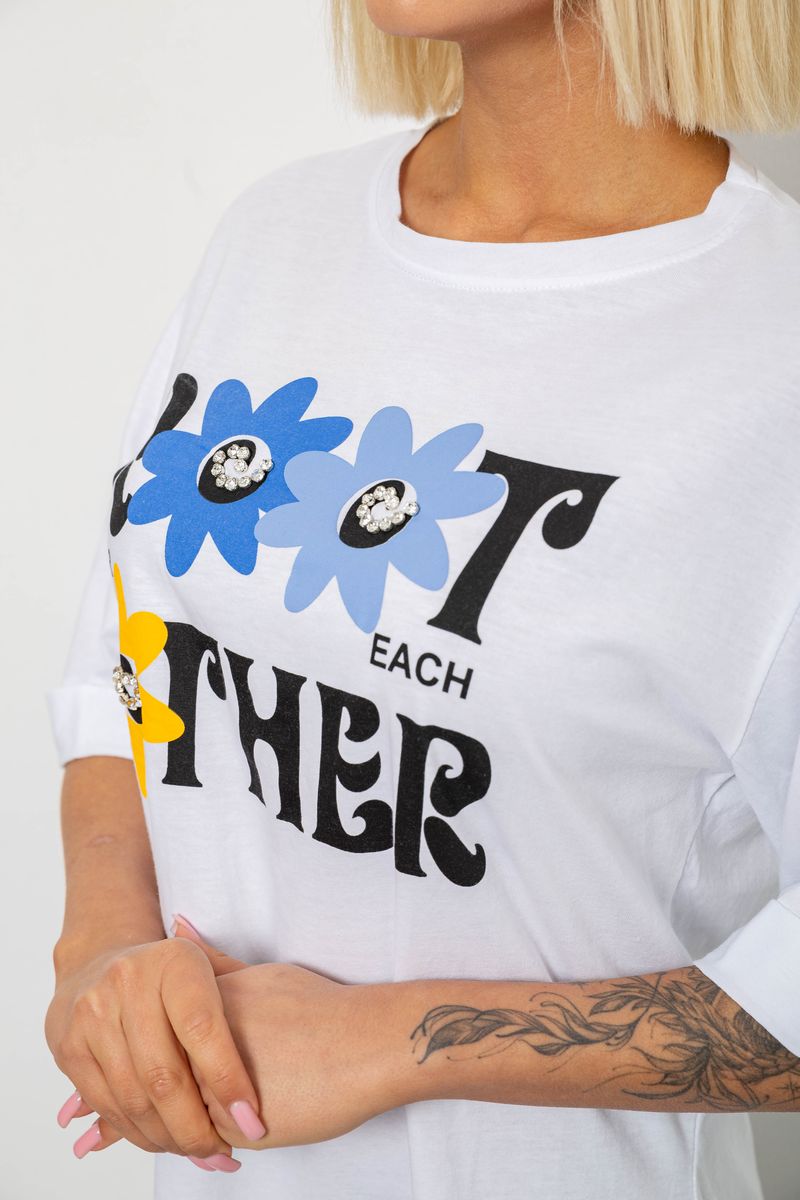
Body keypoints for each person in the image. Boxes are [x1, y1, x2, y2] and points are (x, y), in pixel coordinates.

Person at [45, 1, 800, 1197]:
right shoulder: (275, 234)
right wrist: (96, 954)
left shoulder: (770, 345)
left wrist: (389, 1041)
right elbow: (128, 665)